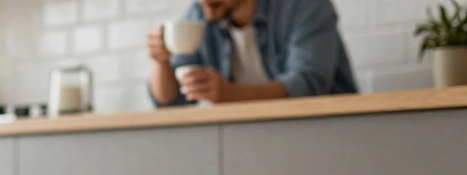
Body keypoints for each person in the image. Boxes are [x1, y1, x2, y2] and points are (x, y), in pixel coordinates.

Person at [147, 0, 357, 106]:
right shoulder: (203, 12)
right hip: (252, 141)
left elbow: (308, 84)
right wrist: (161, 61)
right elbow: (170, 100)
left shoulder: (303, 6)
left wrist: (229, 94)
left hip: (328, 134)